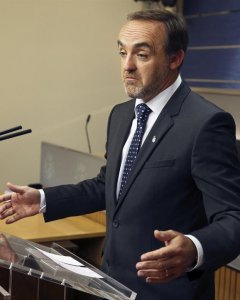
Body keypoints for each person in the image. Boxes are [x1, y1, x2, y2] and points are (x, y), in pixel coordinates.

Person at [0, 9, 240, 300]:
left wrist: (194, 247)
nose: (127, 66)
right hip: (113, 285)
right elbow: (108, 186)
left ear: (175, 59)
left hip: (169, 291)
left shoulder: (206, 123)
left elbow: (233, 218)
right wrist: (43, 200)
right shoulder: (122, 115)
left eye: (142, 55)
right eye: (122, 52)